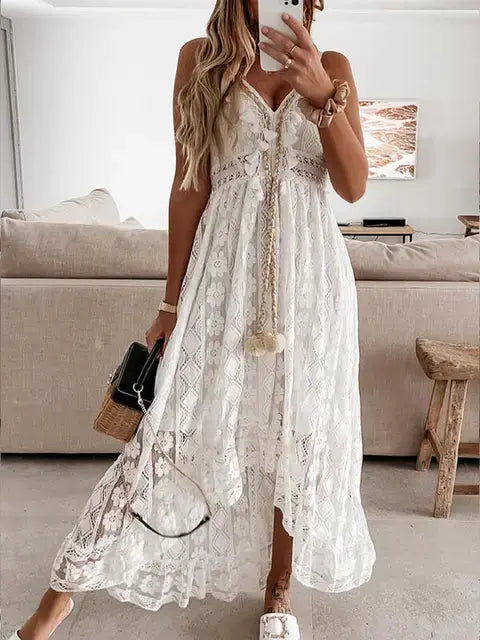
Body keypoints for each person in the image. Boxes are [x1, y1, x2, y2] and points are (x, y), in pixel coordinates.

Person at [10, 1, 376, 639]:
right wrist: (170, 303)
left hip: (311, 284)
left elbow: (354, 186)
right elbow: (189, 186)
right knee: (167, 433)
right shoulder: (200, 61)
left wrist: (324, 96)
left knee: (300, 432)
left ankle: (279, 590)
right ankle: (59, 598)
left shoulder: (334, 66)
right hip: (222, 279)